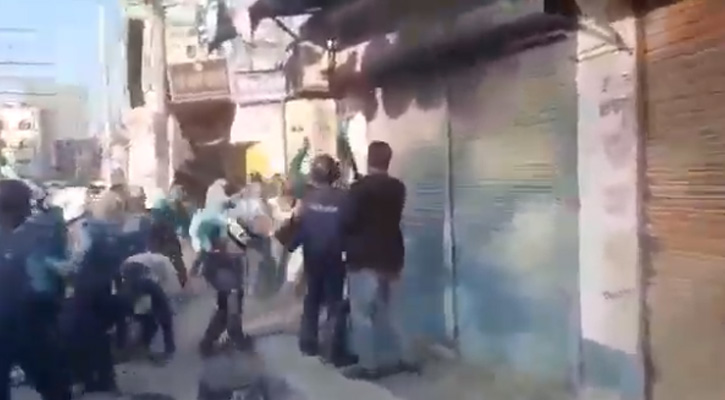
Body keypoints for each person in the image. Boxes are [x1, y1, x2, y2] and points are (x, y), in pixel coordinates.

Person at [343, 141, 416, 379]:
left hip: (364, 258)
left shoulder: (358, 189)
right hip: (392, 256)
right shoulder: (398, 188)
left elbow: (348, 221)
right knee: (395, 312)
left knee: (362, 314)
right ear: (388, 161)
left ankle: (369, 366)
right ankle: (408, 359)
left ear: (369, 159)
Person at [0, 179, 72, 400]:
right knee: (55, 387)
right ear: (20, 208)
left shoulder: (27, 236)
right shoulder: (34, 238)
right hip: (31, 324)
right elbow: (49, 288)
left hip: (19, 323)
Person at [286, 154, 347, 357]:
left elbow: (300, 227)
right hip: (335, 256)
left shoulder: (307, 199)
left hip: (312, 255)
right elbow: (351, 224)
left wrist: (291, 246)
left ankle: (308, 342)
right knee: (334, 301)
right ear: (334, 174)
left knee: (312, 297)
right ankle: (333, 346)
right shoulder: (344, 198)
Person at [195, 220, 252, 356]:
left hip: (222, 273)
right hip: (223, 274)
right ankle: (235, 337)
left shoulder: (230, 239)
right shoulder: (227, 238)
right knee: (230, 307)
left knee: (225, 309)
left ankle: (209, 342)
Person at [116, 256, 176, 362]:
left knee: (155, 323)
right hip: (157, 305)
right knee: (152, 324)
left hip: (158, 306)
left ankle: (163, 350)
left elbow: (133, 300)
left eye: (126, 275)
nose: (125, 277)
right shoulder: (143, 281)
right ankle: (146, 346)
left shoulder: (140, 283)